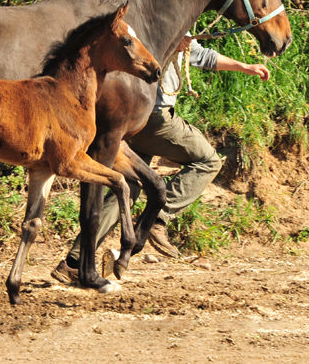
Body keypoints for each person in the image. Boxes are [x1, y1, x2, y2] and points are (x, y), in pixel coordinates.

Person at [51, 34, 270, 283]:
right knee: (209, 160)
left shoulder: (173, 17)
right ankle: (156, 218)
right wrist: (167, 41)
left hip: (133, 118)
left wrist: (244, 67)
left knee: (127, 186)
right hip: (153, 118)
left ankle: (74, 262)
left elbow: (201, 55)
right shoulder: (160, 23)